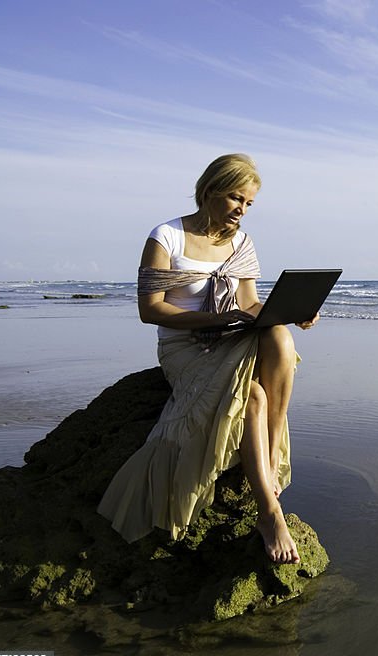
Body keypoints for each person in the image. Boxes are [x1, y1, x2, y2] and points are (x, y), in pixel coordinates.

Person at [98, 153, 316, 564]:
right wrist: (218, 316)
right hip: (186, 346)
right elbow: (151, 310)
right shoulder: (166, 237)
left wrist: (292, 311)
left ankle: (270, 450)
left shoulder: (242, 243)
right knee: (251, 395)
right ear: (210, 191)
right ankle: (270, 513)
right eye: (236, 198)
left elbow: (250, 304)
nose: (242, 210)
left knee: (280, 336)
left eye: (249, 204)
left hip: (231, 337)